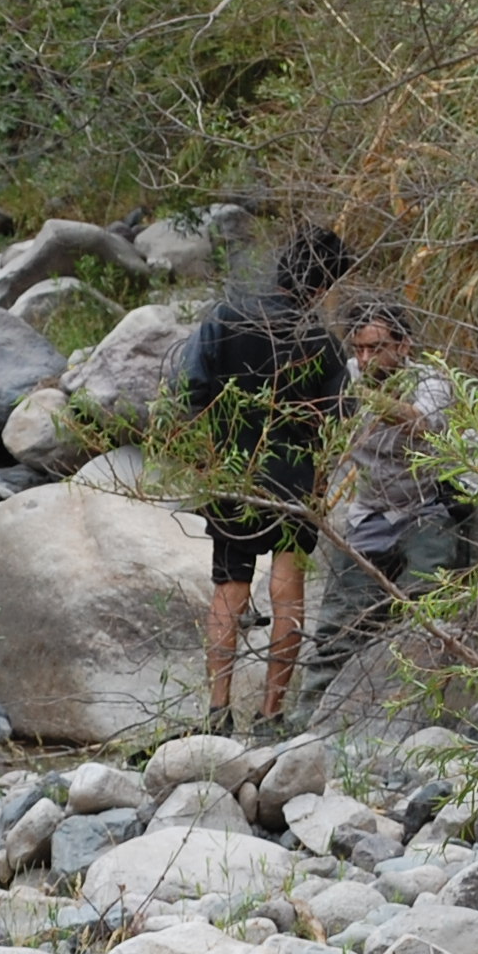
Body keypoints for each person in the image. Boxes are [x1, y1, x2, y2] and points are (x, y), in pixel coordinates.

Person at [185, 220, 353, 735]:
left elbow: (192, 390)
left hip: (232, 474)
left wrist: (207, 461)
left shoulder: (225, 319)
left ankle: (218, 713)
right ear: (321, 287)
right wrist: (320, 489)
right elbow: (337, 421)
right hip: (296, 481)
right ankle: (270, 715)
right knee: (288, 595)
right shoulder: (323, 342)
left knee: (229, 588)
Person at [298, 297, 474, 714]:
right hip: (370, 514)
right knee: (336, 624)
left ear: (403, 346)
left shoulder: (430, 381)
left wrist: (366, 396)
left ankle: (423, 711)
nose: (365, 358)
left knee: (429, 607)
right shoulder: (346, 378)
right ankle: (308, 718)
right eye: (357, 349)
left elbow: (420, 422)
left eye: (375, 348)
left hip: (426, 508)